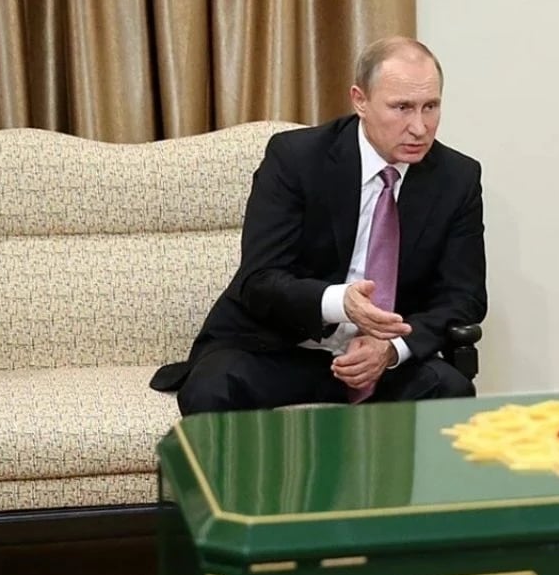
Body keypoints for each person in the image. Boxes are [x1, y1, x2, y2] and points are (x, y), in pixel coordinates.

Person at [152, 36, 486, 413]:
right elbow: (259, 279)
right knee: (212, 388)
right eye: (402, 107)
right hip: (279, 349)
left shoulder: (456, 178)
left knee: (450, 388)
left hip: (378, 361)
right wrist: (339, 302)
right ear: (360, 100)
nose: (420, 127)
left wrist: (392, 349)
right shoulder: (296, 159)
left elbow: (464, 297)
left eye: (431, 107)